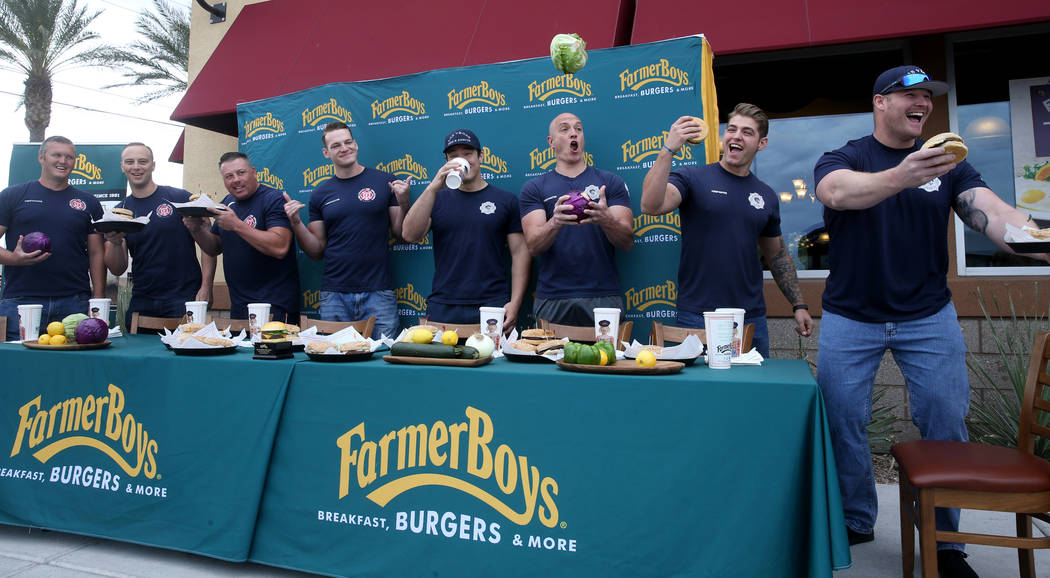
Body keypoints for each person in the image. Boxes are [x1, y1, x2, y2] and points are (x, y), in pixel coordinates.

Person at [813, 65, 1047, 577]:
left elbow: (995, 214)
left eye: (927, 96)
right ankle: (855, 518)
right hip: (851, 316)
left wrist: (1041, 242)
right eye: (909, 94)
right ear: (880, 102)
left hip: (928, 315)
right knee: (841, 421)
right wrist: (907, 174)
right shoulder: (846, 155)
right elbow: (836, 193)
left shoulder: (950, 165)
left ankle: (946, 544)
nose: (921, 102)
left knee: (944, 421)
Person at [640, 103, 814, 357]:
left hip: (749, 319)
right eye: (731, 129)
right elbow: (650, 205)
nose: (736, 136)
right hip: (697, 317)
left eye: (747, 132)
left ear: (761, 143)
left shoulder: (766, 195)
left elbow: (776, 255)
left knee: (752, 395)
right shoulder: (693, 177)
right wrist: (668, 150)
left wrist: (799, 304)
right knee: (700, 396)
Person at [283, 122, 410, 339]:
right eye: (336, 145)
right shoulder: (320, 194)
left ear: (356, 144)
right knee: (335, 361)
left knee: (383, 364)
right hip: (334, 295)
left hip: (378, 292)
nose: (344, 148)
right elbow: (316, 251)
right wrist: (295, 223)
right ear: (326, 153)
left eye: (347, 142)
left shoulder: (383, 181)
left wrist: (405, 202)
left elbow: (402, 234)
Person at [401, 129, 529, 331]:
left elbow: (520, 254)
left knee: (495, 361)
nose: (462, 159)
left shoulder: (506, 200)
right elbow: (409, 235)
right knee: (438, 362)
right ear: (446, 161)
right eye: (454, 156)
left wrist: (515, 302)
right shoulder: (436, 198)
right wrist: (433, 187)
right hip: (444, 304)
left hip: (492, 303)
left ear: (481, 156)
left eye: (468, 153)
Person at [519, 112, 634, 326]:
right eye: (564, 129)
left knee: (608, 359)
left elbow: (627, 241)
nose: (574, 133)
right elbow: (533, 245)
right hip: (553, 297)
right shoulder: (534, 188)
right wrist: (555, 222)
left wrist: (606, 219)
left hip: (603, 295)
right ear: (551, 142)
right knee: (548, 358)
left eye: (578, 129)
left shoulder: (610, 183)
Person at [0, 136, 105, 341]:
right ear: (41, 157)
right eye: (56, 155)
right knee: (17, 367)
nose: (63, 161)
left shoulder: (89, 202)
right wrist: (14, 259)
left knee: (71, 369)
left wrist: (98, 297)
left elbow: (96, 253)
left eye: (69, 157)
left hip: (74, 301)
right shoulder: (13, 195)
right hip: (21, 301)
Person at [104, 143, 216, 320]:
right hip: (142, 299)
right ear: (122, 166)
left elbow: (209, 246)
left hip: (185, 298)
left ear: (153, 165)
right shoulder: (119, 212)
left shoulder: (179, 198)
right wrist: (115, 242)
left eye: (142, 161)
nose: (136, 167)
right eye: (129, 162)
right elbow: (118, 269)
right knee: (138, 348)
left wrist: (206, 286)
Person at [184, 152, 299, 323]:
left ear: (253, 172)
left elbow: (280, 247)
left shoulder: (273, 199)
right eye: (229, 176)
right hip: (239, 306)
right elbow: (214, 248)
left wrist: (237, 225)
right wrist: (196, 230)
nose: (236, 180)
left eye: (241, 173)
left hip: (275, 306)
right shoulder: (227, 202)